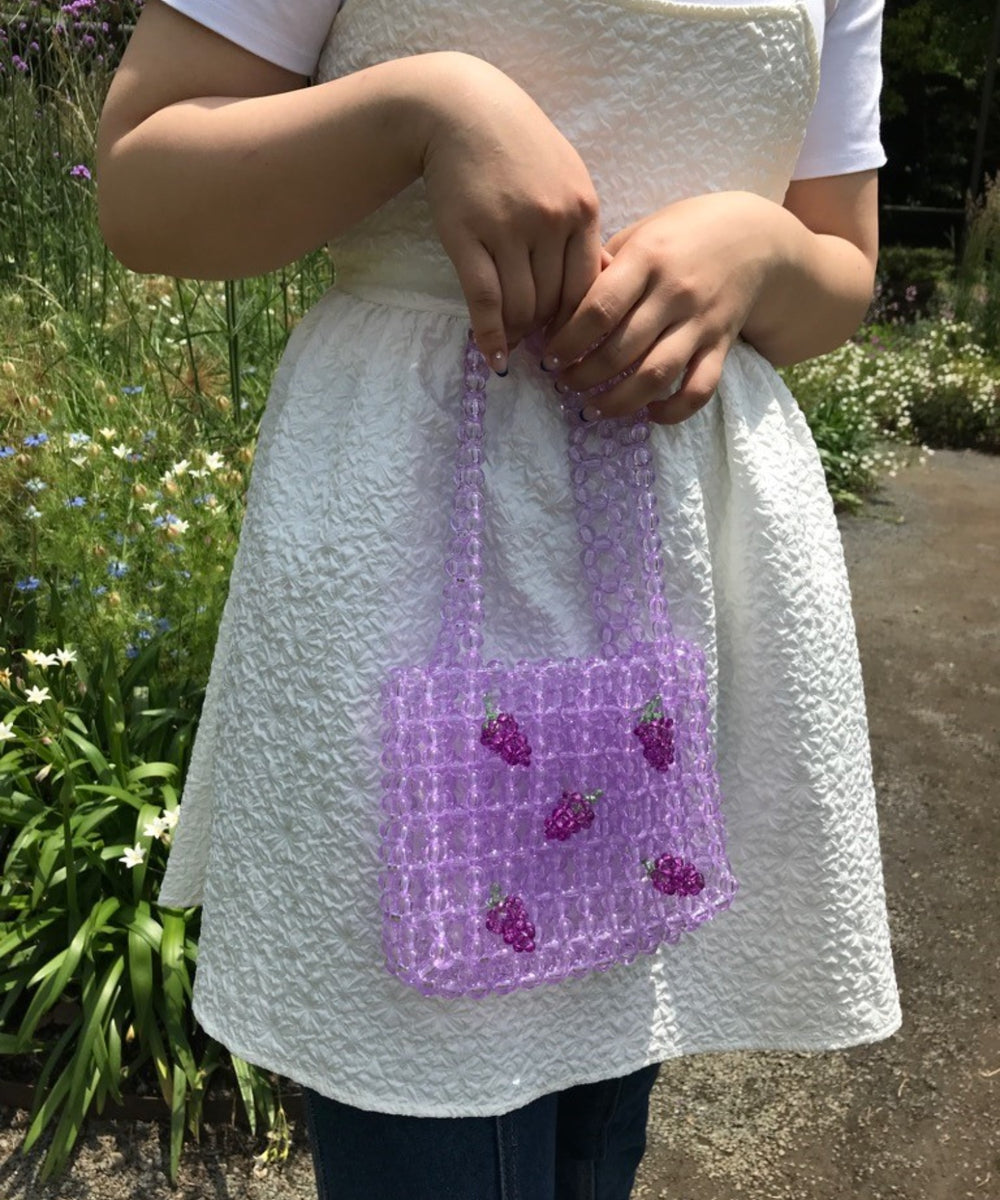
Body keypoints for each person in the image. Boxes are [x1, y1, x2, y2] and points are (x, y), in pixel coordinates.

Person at [97, 1, 901, 1196]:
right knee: (421, 1100)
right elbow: (143, 190)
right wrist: (419, 110)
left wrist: (760, 250)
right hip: (405, 567)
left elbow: (839, 267)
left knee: (600, 1113)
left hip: (667, 579)